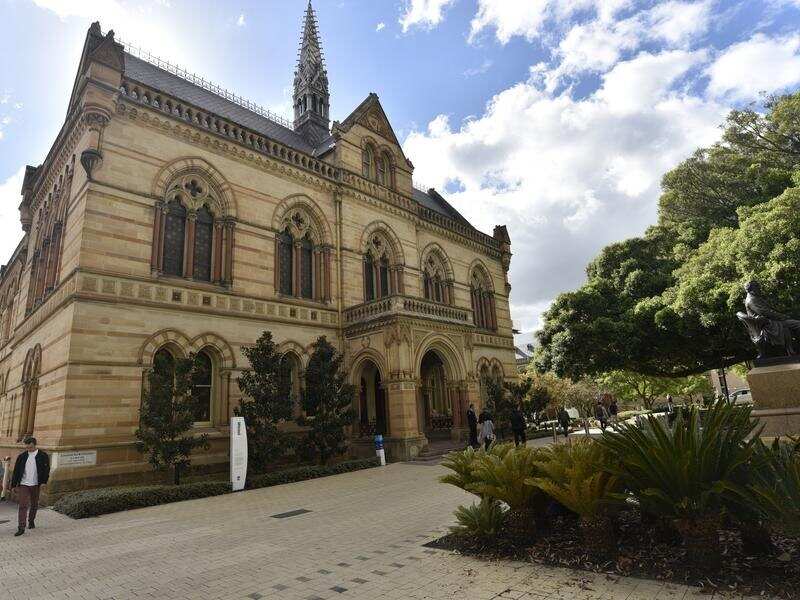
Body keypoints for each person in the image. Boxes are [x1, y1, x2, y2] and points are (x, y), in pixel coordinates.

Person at [11, 437, 50, 537]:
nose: (28, 448)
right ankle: (21, 527)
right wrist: (14, 485)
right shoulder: (22, 456)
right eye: (27, 446)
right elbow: (16, 471)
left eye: (30, 446)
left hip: (36, 484)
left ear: (34, 444)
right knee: (23, 505)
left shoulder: (43, 455)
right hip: (24, 484)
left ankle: (31, 520)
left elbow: (46, 470)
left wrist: (44, 482)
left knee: (34, 504)